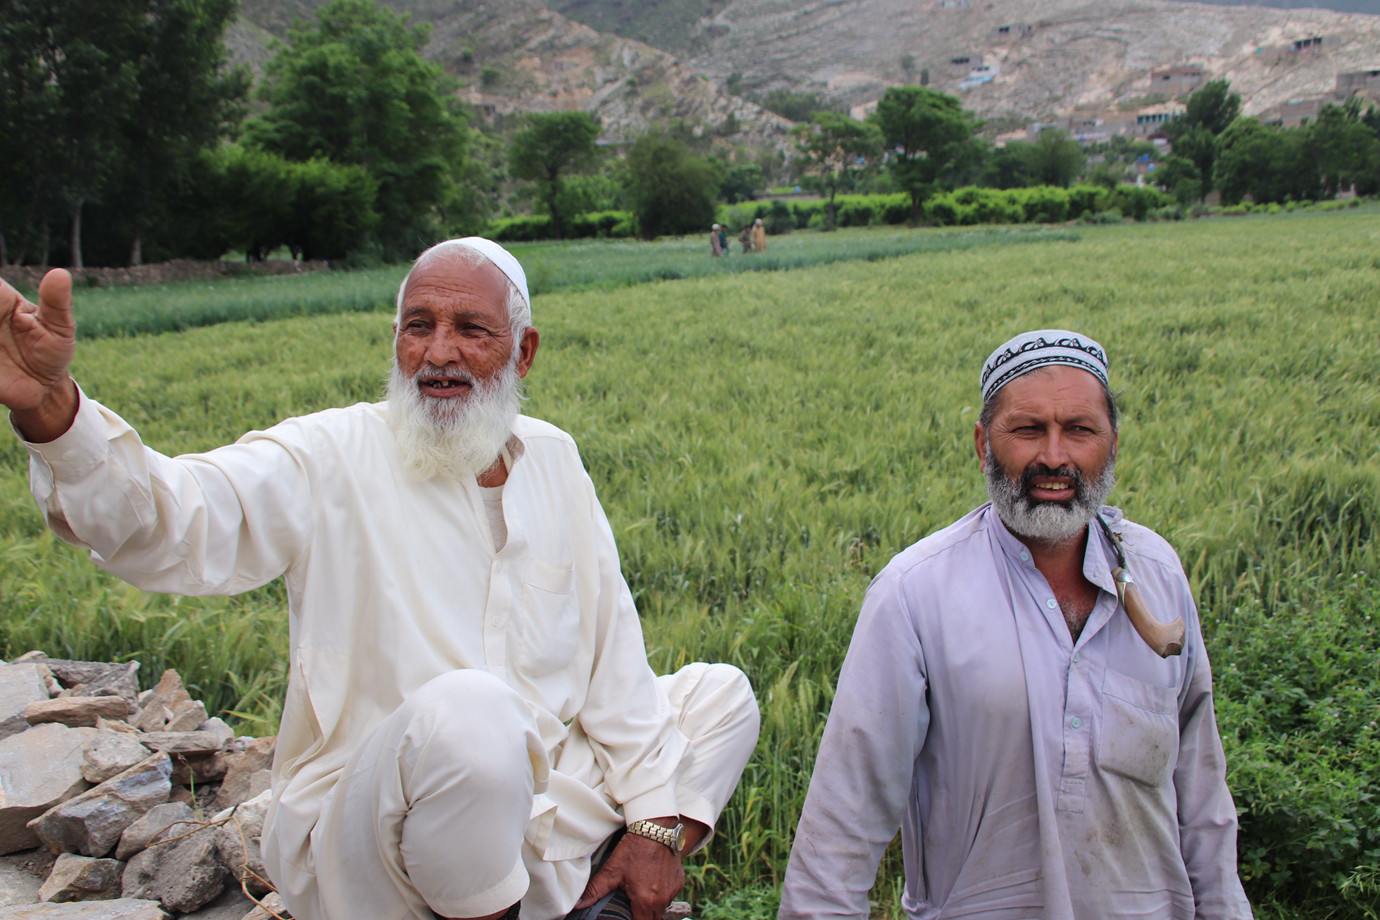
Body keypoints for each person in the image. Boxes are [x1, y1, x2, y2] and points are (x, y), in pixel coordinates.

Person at [1, 239, 760, 920]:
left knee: (722, 695)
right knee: (473, 712)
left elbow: (615, 661)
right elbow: (174, 521)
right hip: (377, 837)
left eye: (471, 330)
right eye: (418, 325)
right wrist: (55, 415)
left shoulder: (554, 459)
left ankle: (600, 880)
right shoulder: (331, 454)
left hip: (544, 796)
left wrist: (656, 826)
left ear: (522, 352)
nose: (439, 352)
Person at [779, 330, 1251, 920]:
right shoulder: (916, 594)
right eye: (1028, 430)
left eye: (1080, 430)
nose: (1055, 456)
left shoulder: (1156, 573)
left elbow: (1201, 796)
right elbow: (842, 827)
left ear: (1112, 442)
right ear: (983, 443)